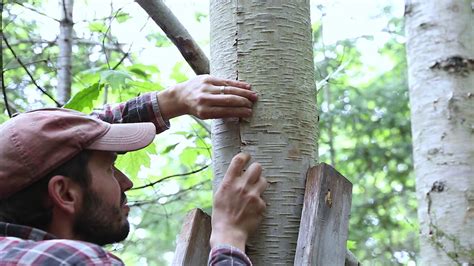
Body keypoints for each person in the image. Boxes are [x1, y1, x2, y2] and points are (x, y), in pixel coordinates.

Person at [0, 75, 267, 265]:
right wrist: (229, 240)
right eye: (109, 168)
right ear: (65, 193)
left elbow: (56, 140)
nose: (126, 182)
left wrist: (171, 100)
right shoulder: (72, 260)